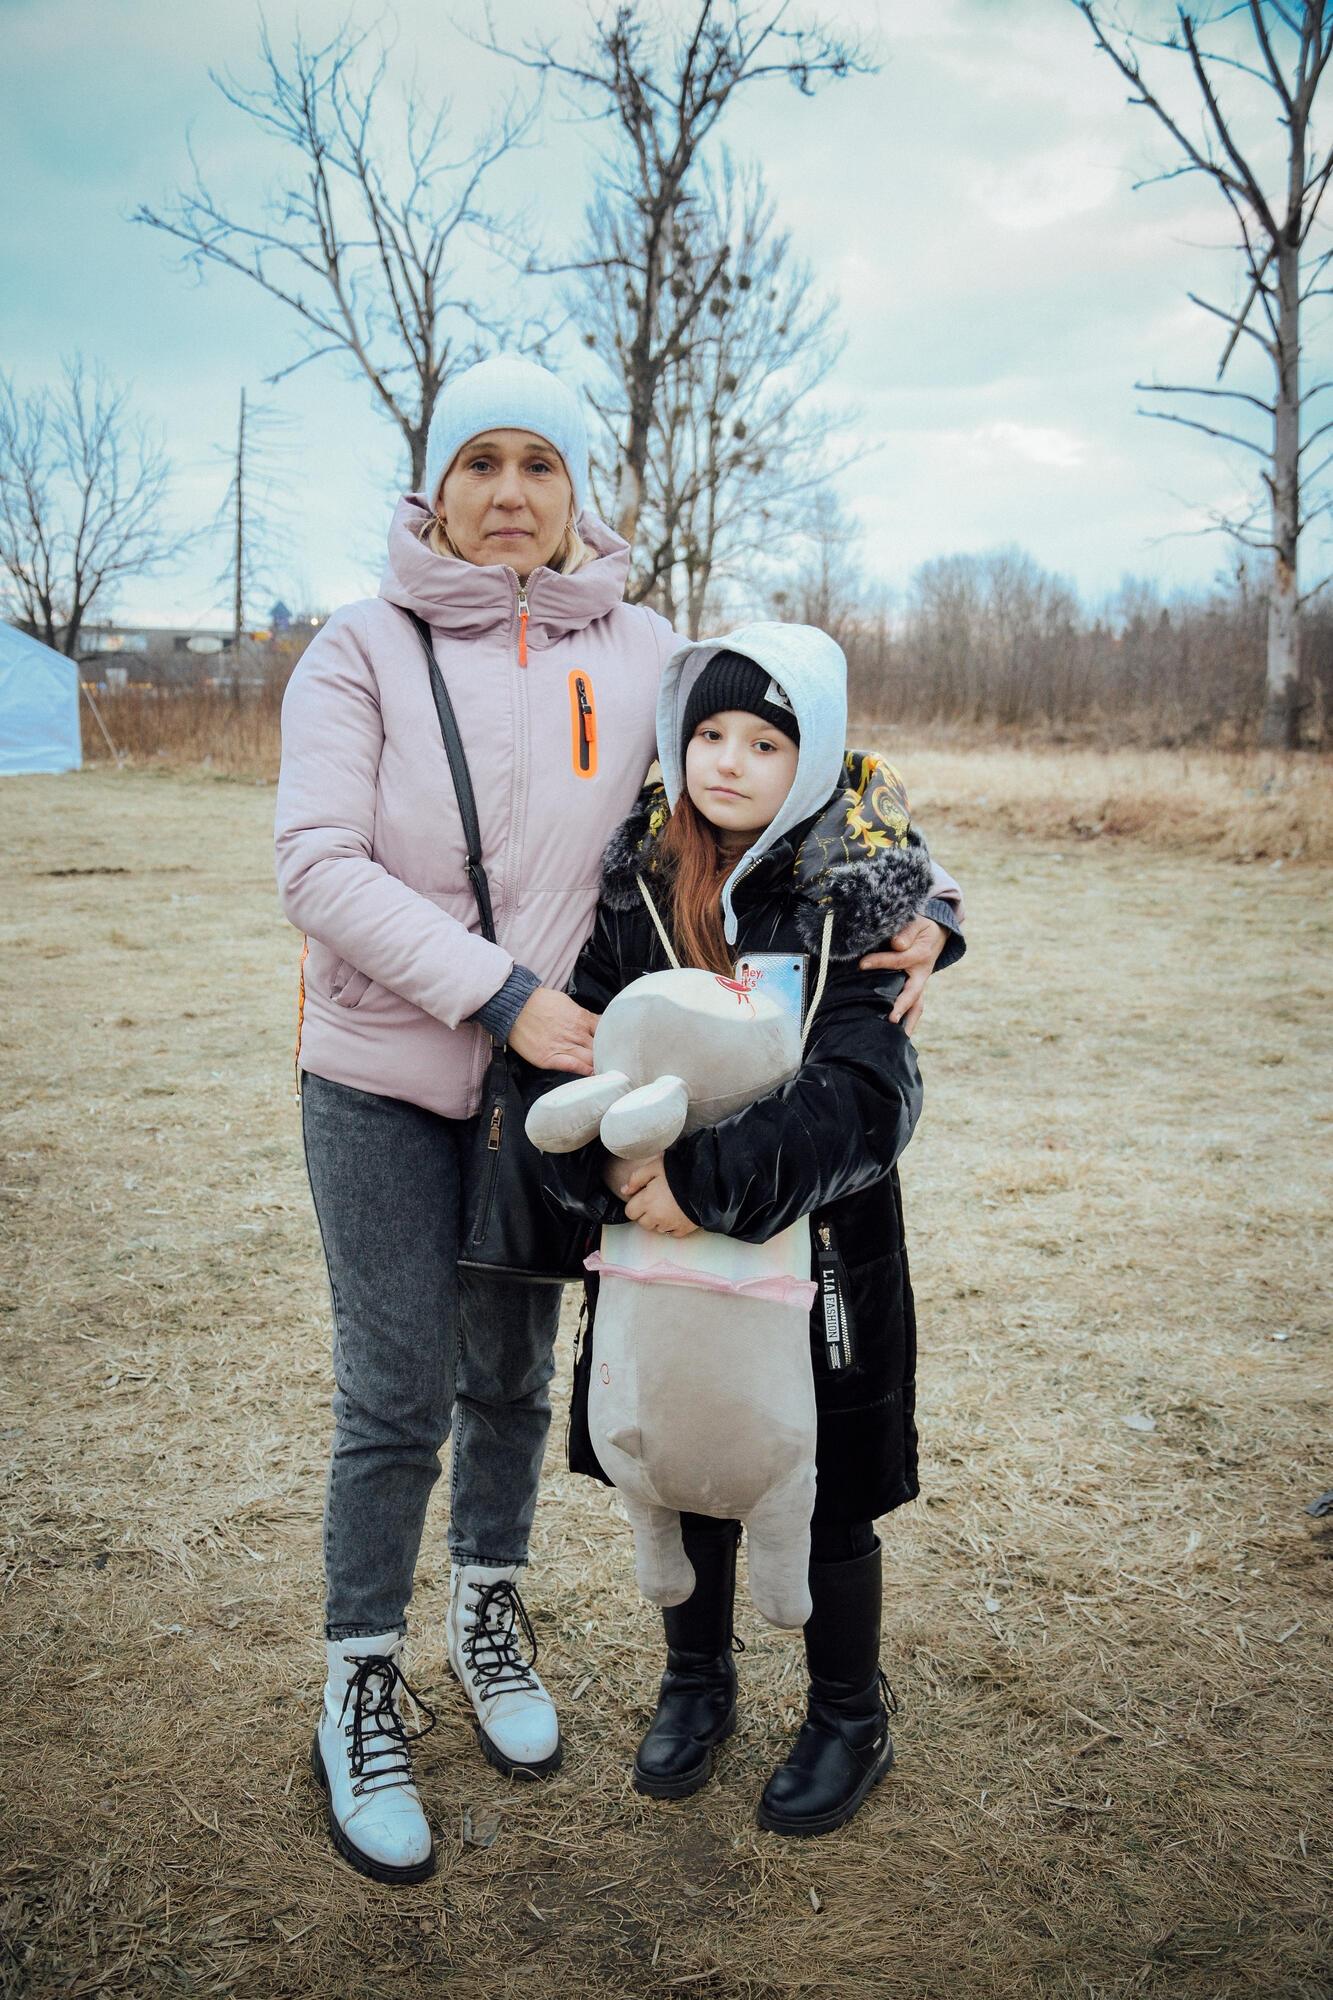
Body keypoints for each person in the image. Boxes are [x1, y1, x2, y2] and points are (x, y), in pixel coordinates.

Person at [274, 355, 965, 1885]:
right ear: (434, 490)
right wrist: (503, 994)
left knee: (514, 1386)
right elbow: (316, 864)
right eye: (480, 465)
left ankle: (490, 1621)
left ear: (577, 490)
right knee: (395, 1395)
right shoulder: (356, 652)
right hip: (395, 1074)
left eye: (539, 465)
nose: (510, 494)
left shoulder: (646, 646)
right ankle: (362, 1682)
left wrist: (938, 913)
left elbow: (814, 773)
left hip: (559, 1106)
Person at [541, 622, 963, 1838]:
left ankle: (846, 1712)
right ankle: (695, 1680)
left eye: (765, 739)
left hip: (817, 1260)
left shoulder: (858, 899)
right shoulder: (633, 887)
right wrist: (618, 1184)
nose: (727, 761)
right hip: (657, 1262)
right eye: (708, 733)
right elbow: (574, 1050)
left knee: (820, 1485)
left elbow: (868, 1091)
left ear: (813, 754)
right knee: (682, 1457)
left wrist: (706, 1178)